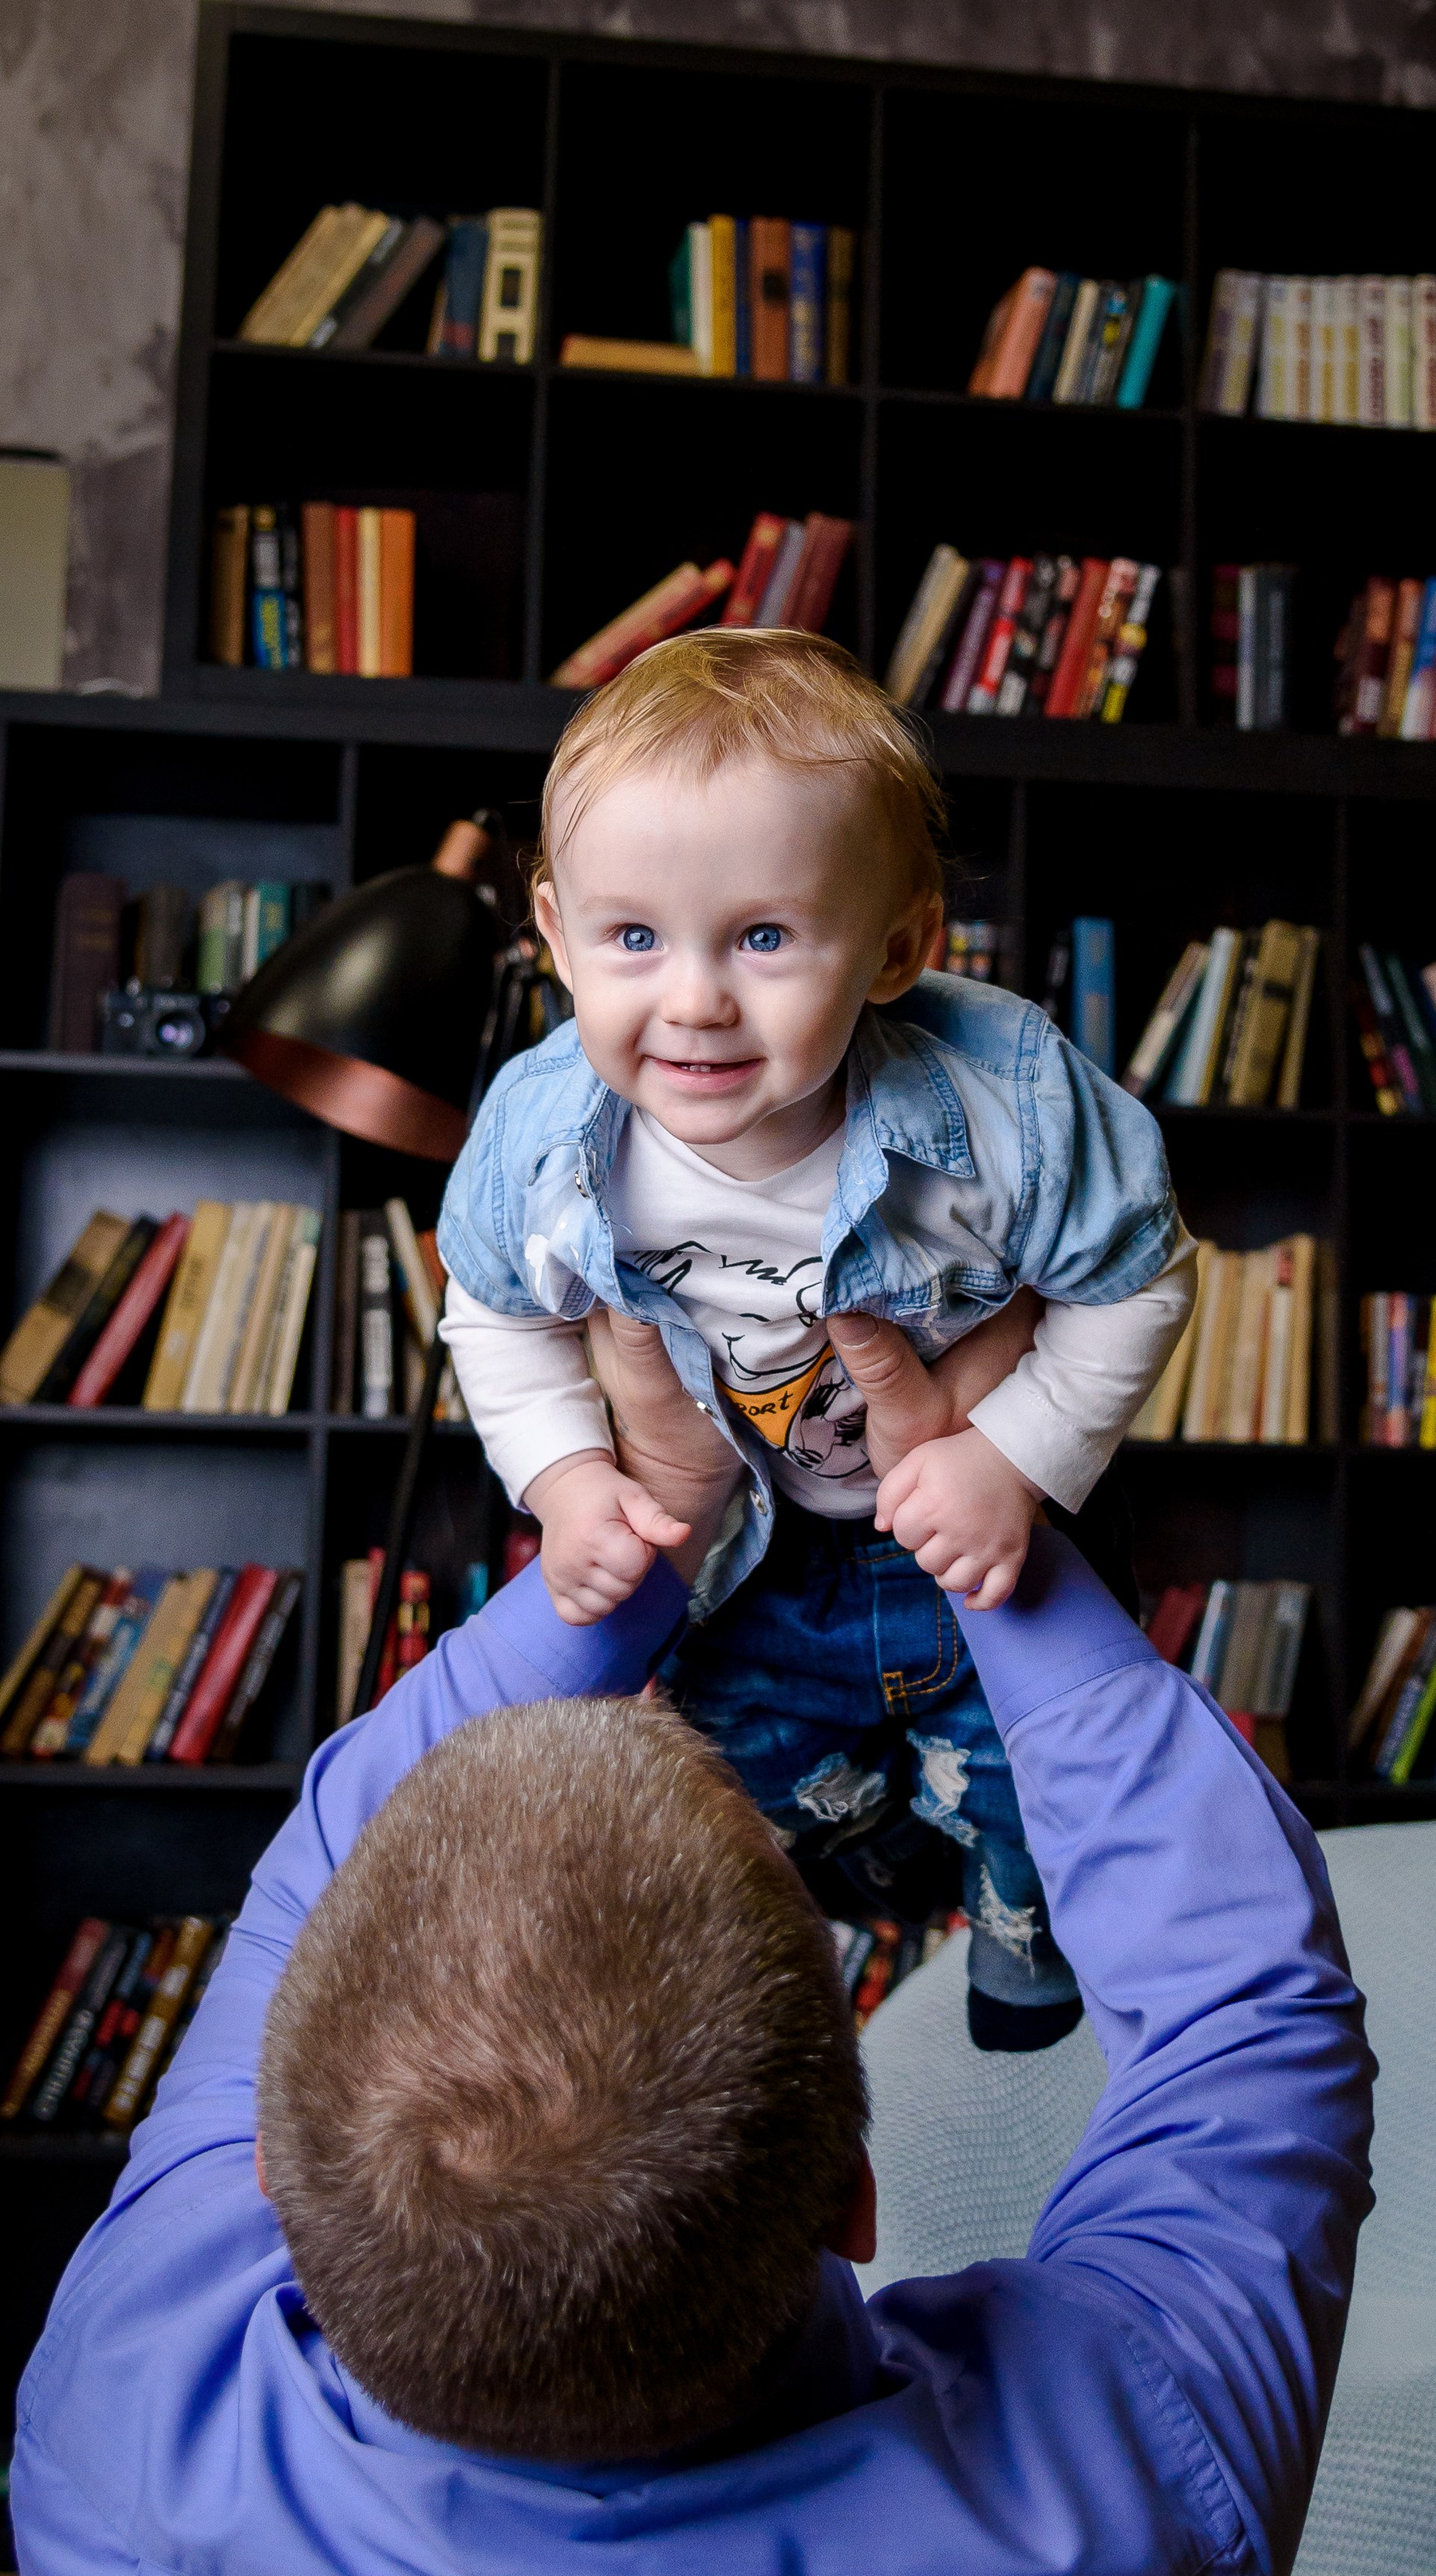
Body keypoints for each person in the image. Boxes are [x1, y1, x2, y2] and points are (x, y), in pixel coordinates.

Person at [9, 1305, 1372, 2576]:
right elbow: (1250, 2014)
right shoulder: (1125, 2510)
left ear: (265, 2164)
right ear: (857, 2203)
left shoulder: (129, 2373)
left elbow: (321, 1861)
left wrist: (648, 1527)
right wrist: (978, 1518)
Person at [436, 625, 1196, 2054]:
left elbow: (1137, 1279)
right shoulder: (544, 1141)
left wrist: (1013, 1458)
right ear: (556, 934)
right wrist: (565, 1480)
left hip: (973, 1536)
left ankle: (1018, 1940)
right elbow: (494, 1312)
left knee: (1037, 1792)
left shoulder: (1003, 1102)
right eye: (634, 938)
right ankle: (855, 1906)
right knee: (730, 1795)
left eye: (765, 938)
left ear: (899, 946)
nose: (695, 999)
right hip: (753, 1559)